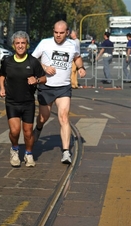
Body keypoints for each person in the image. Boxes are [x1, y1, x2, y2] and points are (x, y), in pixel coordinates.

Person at [31, 20, 86, 164]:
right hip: (46, 87)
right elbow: (32, 59)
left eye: (61, 33)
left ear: (67, 32)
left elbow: (77, 57)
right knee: (44, 117)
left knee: (63, 117)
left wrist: (81, 67)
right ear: (53, 31)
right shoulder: (44, 43)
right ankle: (38, 128)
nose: (58, 35)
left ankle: (66, 152)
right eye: (56, 32)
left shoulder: (72, 44)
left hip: (63, 87)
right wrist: (44, 67)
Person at [0, 31, 46, 167]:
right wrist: (2, 88)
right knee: (14, 131)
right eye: (17, 43)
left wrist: (36, 79)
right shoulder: (7, 61)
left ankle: (29, 154)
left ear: (27, 45)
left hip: (28, 102)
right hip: (12, 102)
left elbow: (44, 78)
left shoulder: (33, 61)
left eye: (23, 43)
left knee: (28, 132)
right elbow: (1, 76)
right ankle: (14, 149)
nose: (20, 46)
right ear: (13, 45)